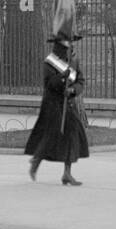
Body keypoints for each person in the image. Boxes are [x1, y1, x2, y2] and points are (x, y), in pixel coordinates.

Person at [26, 30, 90, 185]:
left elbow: (80, 81)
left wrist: (73, 90)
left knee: (72, 135)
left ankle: (67, 173)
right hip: (53, 103)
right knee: (51, 135)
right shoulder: (50, 61)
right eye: (67, 41)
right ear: (59, 44)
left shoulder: (73, 60)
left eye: (71, 41)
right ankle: (36, 160)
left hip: (68, 102)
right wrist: (63, 77)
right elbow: (49, 84)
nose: (70, 44)